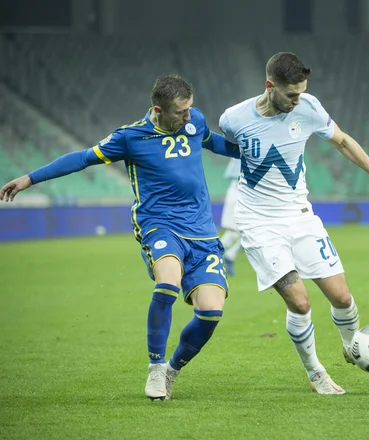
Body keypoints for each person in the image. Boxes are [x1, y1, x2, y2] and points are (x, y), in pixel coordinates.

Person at [0, 74, 240, 401]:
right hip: (159, 225)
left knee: (211, 311)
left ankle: (171, 370)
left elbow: (214, 142)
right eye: (180, 112)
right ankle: (155, 368)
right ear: (158, 109)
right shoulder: (130, 137)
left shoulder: (193, 120)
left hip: (201, 231)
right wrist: (30, 178)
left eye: (190, 110)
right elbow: (83, 158)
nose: (188, 117)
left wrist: (254, 153)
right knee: (168, 281)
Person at [218, 52, 369, 394]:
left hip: (300, 216)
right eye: (291, 94)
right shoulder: (233, 118)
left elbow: (342, 140)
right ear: (269, 86)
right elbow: (228, 147)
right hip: (259, 223)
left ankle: (355, 347)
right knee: (301, 302)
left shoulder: (309, 107)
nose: (297, 100)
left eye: (301, 92)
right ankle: (316, 372)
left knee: (341, 297)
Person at [219, 158, 243, 276]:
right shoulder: (241, 153)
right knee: (235, 232)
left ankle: (227, 256)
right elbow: (230, 174)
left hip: (244, 193)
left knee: (242, 233)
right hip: (237, 191)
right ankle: (215, 255)